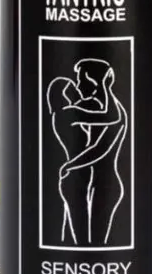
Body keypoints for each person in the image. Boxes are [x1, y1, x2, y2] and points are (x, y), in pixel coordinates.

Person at [47, 59, 127, 246]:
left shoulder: (104, 110)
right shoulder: (69, 113)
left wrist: (70, 165)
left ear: (93, 81)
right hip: (77, 181)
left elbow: (101, 148)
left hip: (99, 184)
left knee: (91, 242)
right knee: (81, 242)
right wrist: (105, 87)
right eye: (73, 85)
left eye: (80, 80)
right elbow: (109, 119)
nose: (77, 86)